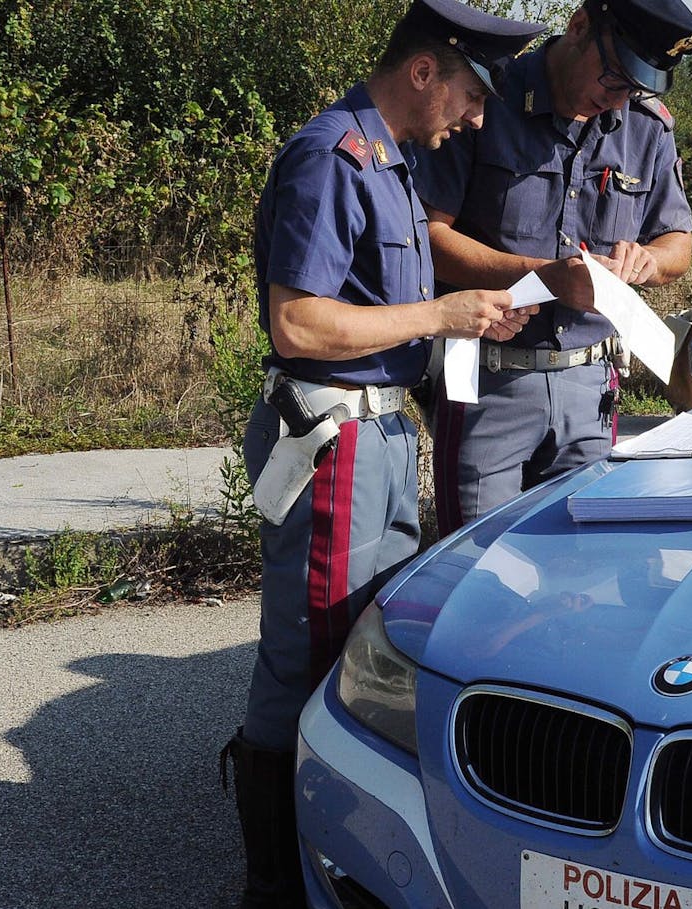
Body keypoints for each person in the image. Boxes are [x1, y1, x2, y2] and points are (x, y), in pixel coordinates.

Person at [220, 1, 546, 905]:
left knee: (371, 653)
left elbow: (381, 315)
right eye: (475, 94)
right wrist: (439, 313)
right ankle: (277, 883)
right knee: (312, 658)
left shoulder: (397, 165)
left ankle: (341, 854)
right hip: (337, 440)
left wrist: (465, 322)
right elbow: (298, 320)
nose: (480, 117)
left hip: (383, 430)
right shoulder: (333, 157)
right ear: (424, 71)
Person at [416, 0, 692, 536]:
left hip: (590, 389)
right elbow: (430, 238)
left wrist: (648, 260)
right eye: (614, 76)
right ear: (579, 26)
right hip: (488, 376)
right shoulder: (485, 101)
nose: (618, 98)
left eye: (634, 88)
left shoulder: (646, 127)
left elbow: (679, 243)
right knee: (477, 567)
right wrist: (546, 277)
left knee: (580, 572)